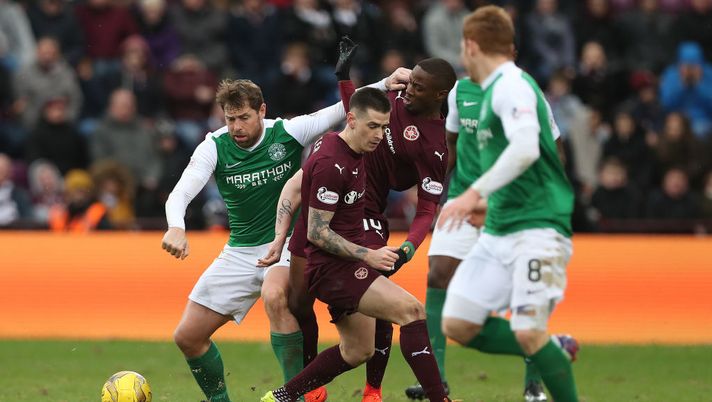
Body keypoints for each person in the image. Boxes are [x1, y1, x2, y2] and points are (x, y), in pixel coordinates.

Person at [161, 72, 408, 402]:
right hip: (240, 251)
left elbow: (339, 111)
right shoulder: (214, 146)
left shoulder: (288, 132)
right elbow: (180, 193)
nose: (236, 127)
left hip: (291, 245)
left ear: (262, 111)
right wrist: (176, 226)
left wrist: (386, 81)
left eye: (244, 117)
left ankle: (297, 395)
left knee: (275, 295)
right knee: (188, 337)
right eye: (230, 119)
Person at [261, 38, 456, 402]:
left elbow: (427, 206)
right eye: (408, 82)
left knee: (358, 348)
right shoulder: (334, 158)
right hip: (335, 238)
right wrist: (280, 239)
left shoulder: (422, 143)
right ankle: (312, 390)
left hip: (359, 225)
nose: (407, 90)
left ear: (439, 94)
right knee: (307, 304)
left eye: (417, 87)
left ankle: (351, 390)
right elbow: (309, 214)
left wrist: (408, 247)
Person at [437, 6, 579, 402]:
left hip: (537, 230)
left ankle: (551, 361)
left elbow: (525, 148)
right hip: (500, 228)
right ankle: (556, 349)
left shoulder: (511, 85)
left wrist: (471, 194)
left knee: (528, 332)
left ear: (470, 46)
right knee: (458, 323)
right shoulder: (488, 93)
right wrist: (489, 204)